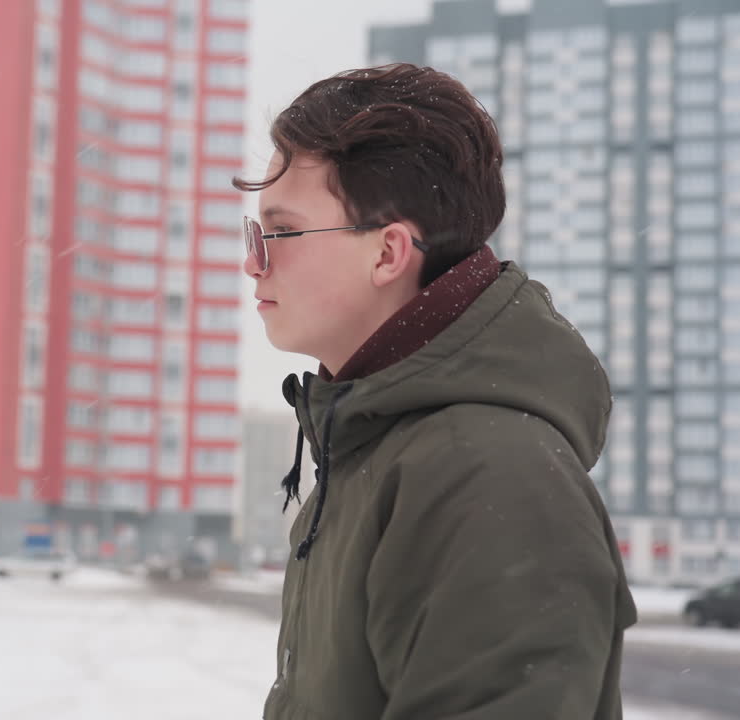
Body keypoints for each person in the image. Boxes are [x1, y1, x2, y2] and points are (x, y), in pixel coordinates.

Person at [235, 63, 637, 720]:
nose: (254, 261)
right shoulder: (371, 454)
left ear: (389, 253)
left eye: (278, 232)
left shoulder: (488, 475)